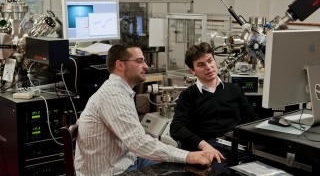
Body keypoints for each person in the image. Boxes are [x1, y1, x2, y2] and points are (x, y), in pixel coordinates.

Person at [74, 43, 216, 176]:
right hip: (111, 171)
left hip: (126, 160)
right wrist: (187, 155)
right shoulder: (113, 96)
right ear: (120, 65)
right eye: (139, 61)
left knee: (180, 164)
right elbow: (138, 143)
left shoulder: (119, 90)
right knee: (187, 169)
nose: (146, 66)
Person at [170, 42, 260, 174]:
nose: (208, 67)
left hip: (238, 146)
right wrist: (204, 146)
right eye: (201, 65)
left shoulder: (234, 90)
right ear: (193, 71)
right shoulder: (188, 96)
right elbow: (176, 127)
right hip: (209, 149)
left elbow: (252, 119)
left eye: (210, 61)